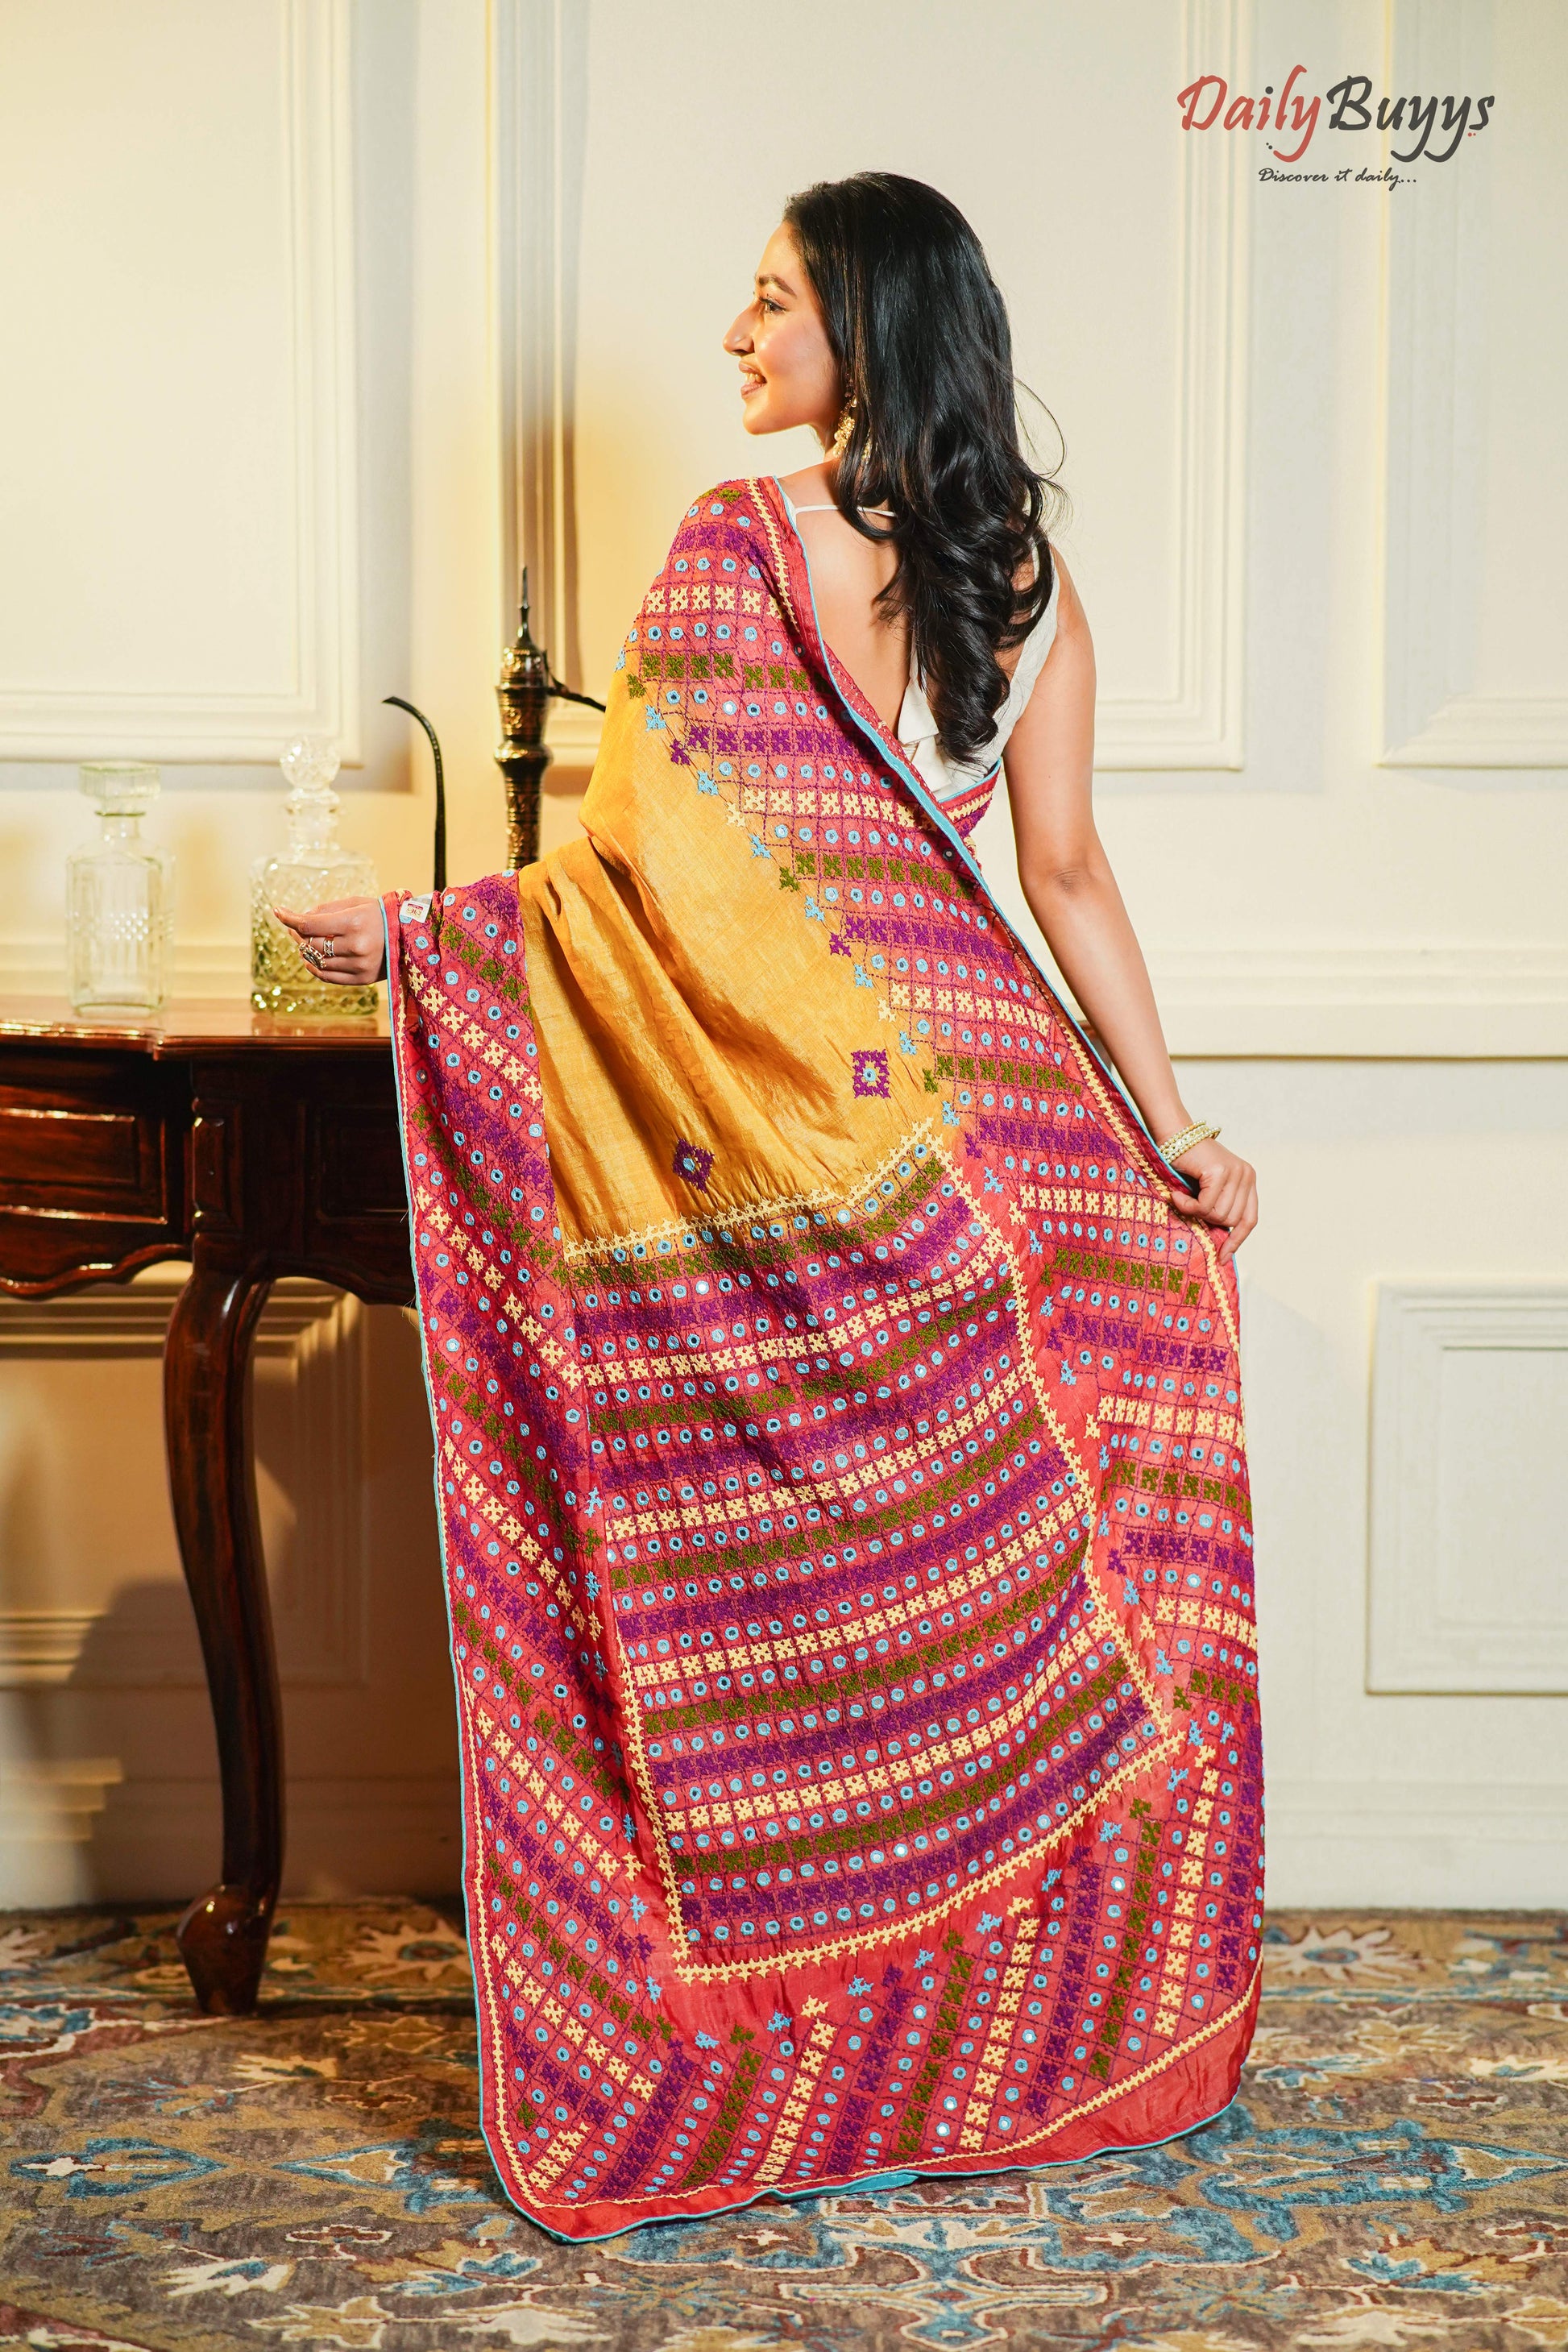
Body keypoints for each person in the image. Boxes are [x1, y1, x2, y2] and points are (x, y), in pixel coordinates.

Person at [278, 172, 1263, 2242]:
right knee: (1079, 1440)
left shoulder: (739, 548)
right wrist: (1164, 1138)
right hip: (969, 1126)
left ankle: (842, 1997)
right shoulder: (1025, 576)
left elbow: (642, 884)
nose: (734, 339)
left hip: (809, 1131)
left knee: (807, 1548)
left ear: (867, 330)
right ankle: (1022, 1983)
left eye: (770, 303)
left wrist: (426, 941)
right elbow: (1060, 878)